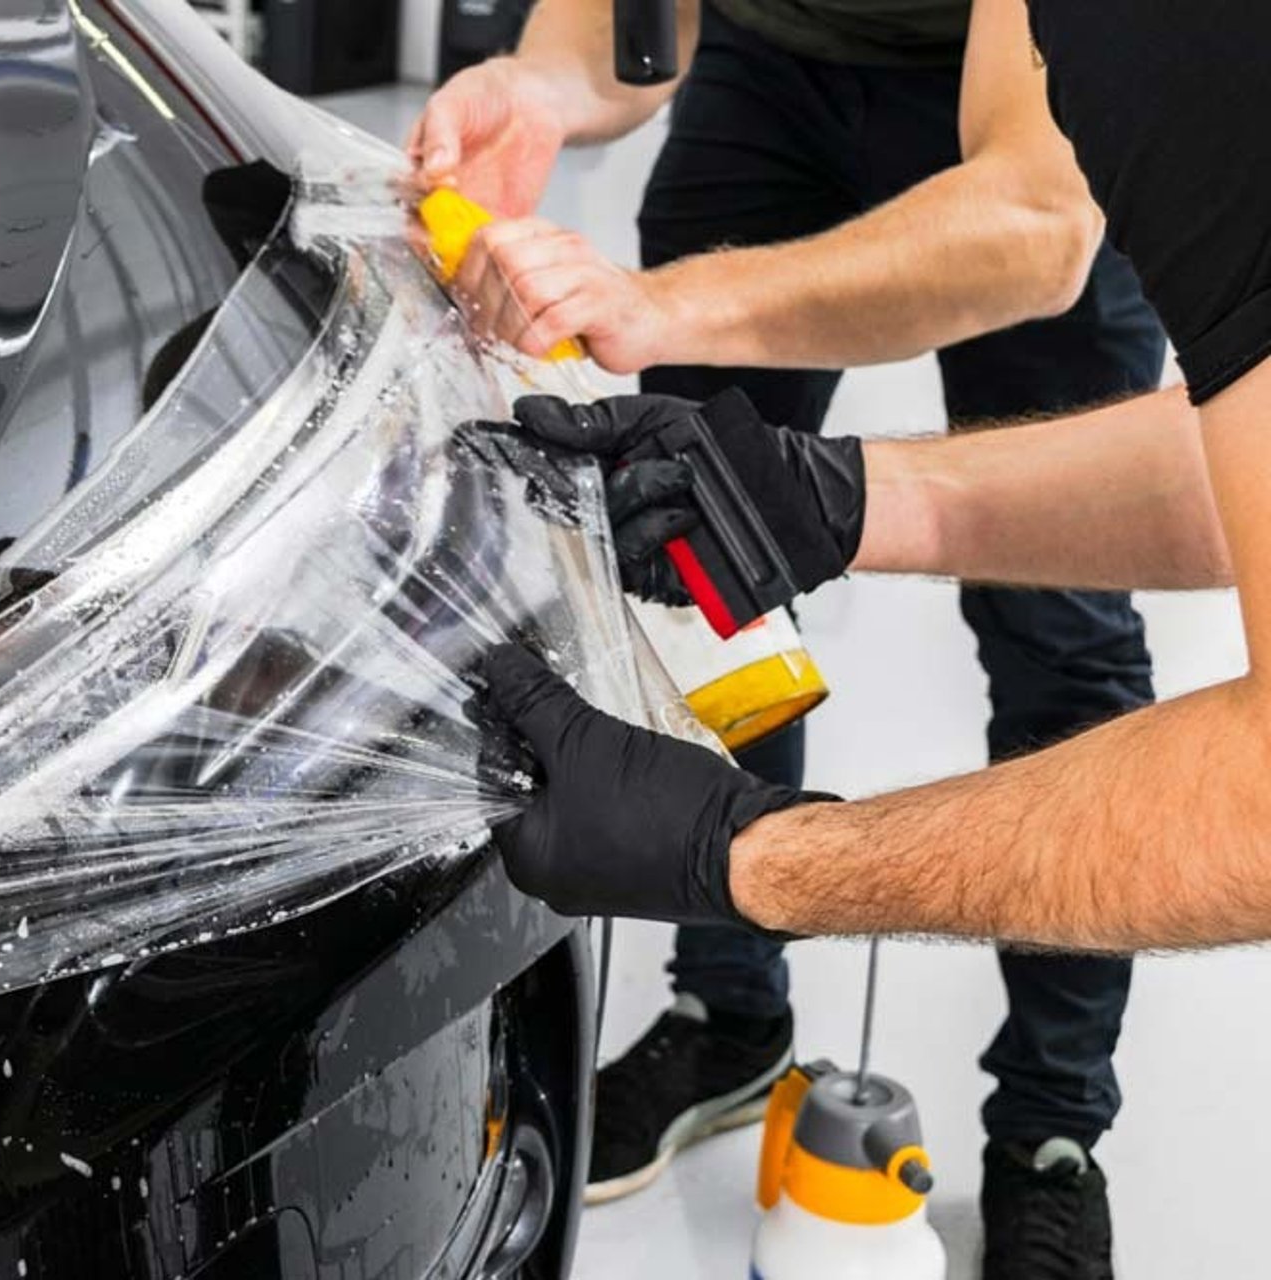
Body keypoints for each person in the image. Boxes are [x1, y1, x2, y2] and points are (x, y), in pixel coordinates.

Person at [472, 1, 1271, 1276]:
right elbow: (1213, 473)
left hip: (1018, 125)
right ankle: (731, 1014)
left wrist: (758, 856)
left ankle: (1051, 1131)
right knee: (699, 555)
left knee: (1059, 644)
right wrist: (848, 495)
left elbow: (1034, 229)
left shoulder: (1177, 64)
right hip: (781, 79)